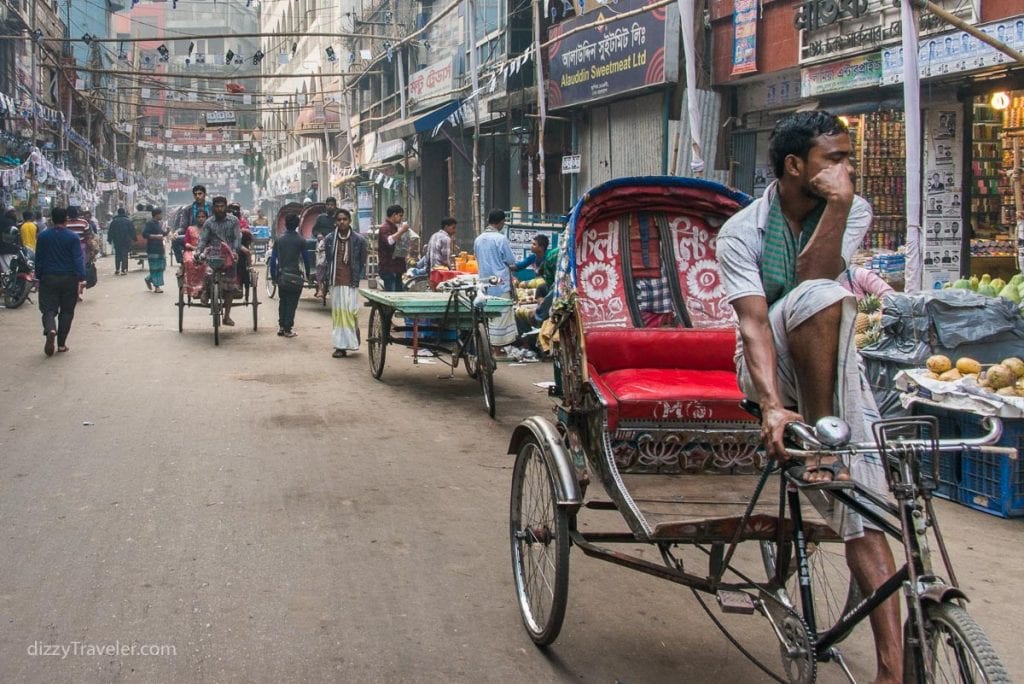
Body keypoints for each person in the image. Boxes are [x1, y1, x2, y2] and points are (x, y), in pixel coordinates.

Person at [716, 110, 900, 684]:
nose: (848, 169)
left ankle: (894, 668)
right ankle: (823, 439)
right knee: (810, 298)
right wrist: (770, 405)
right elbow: (753, 325)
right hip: (766, 367)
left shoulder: (856, 209)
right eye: (835, 160)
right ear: (795, 166)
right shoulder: (742, 232)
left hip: (830, 361)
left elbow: (817, 276)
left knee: (867, 504)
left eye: (848, 158)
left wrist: (840, 206)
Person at [34, 207, 86, 356]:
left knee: (48, 309)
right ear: (66, 220)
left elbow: (39, 258)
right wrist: (82, 277)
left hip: (48, 278)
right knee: (67, 311)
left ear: (51, 219)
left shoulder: (43, 237)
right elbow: (78, 258)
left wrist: (39, 275)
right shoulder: (72, 237)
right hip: (69, 278)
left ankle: (50, 329)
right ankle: (61, 345)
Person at [324, 208, 368, 357]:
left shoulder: (359, 240)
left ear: (349, 221)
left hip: (351, 282)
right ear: (336, 222)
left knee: (350, 313)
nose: (342, 222)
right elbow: (327, 261)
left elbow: (362, 262)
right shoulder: (330, 239)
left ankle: (352, 341)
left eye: (345, 219)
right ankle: (340, 346)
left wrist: (356, 277)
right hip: (336, 282)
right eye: (339, 219)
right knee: (338, 315)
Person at [473, 209, 518, 350]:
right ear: (501, 222)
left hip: (484, 282)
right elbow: (510, 260)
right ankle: (496, 348)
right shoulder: (501, 238)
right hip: (500, 282)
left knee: (488, 315)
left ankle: (489, 346)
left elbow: (476, 257)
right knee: (501, 315)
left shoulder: (478, 239)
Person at [197, 196, 242, 326]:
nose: (219, 209)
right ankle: (205, 291)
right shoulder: (209, 223)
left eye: (222, 206)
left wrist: (234, 252)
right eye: (217, 206)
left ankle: (227, 316)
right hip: (213, 254)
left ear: (225, 207)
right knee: (207, 272)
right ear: (213, 207)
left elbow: (237, 239)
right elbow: (203, 240)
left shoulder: (234, 221)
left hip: (229, 255)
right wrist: (199, 252)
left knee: (229, 288)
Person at [269, 213, 310, 338]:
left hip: (282, 276)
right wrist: (307, 274)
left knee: (283, 301)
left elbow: (273, 260)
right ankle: (288, 328)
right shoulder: (301, 240)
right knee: (292, 303)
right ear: (298, 225)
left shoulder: (279, 240)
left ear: (285, 224)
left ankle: (281, 326)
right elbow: (306, 259)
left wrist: (273, 276)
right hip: (295, 276)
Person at [377, 204, 410, 291]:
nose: (401, 218)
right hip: (388, 267)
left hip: (396, 267)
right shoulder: (385, 228)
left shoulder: (394, 227)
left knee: (398, 294)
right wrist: (402, 230)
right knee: (392, 294)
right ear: (394, 215)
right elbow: (389, 241)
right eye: (400, 216)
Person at [181, 209, 208, 297]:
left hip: (206, 251)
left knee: (208, 263)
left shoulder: (209, 229)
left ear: (206, 218)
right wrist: (194, 248)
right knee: (189, 261)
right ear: (196, 218)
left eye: (203, 217)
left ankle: (205, 287)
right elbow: (186, 243)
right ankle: (192, 288)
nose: (201, 219)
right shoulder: (190, 229)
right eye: (199, 217)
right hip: (191, 250)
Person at [143, 207, 168, 293]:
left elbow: (161, 234)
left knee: (161, 267)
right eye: (160, 214)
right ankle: (157, 287)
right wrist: (155, 236)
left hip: (160, 248)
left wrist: (167, 232)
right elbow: (145, 234)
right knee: (155, 268)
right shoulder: (149, 223)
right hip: (152, 249)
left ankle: (148, 279)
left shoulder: (158, 223)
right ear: (156, 215)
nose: (161, 215)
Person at [107, 207, 135, 275]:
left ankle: (117, 269)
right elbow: (132, 231)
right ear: (124, 212)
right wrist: (134, 239)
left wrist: (109, 239)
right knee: (124, 254)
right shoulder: (128, 221)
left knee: (118, 254)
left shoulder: (114, 221)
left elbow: (110, 231)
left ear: (118, 213)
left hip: (117, 241)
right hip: (126, 241)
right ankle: (124, 270)